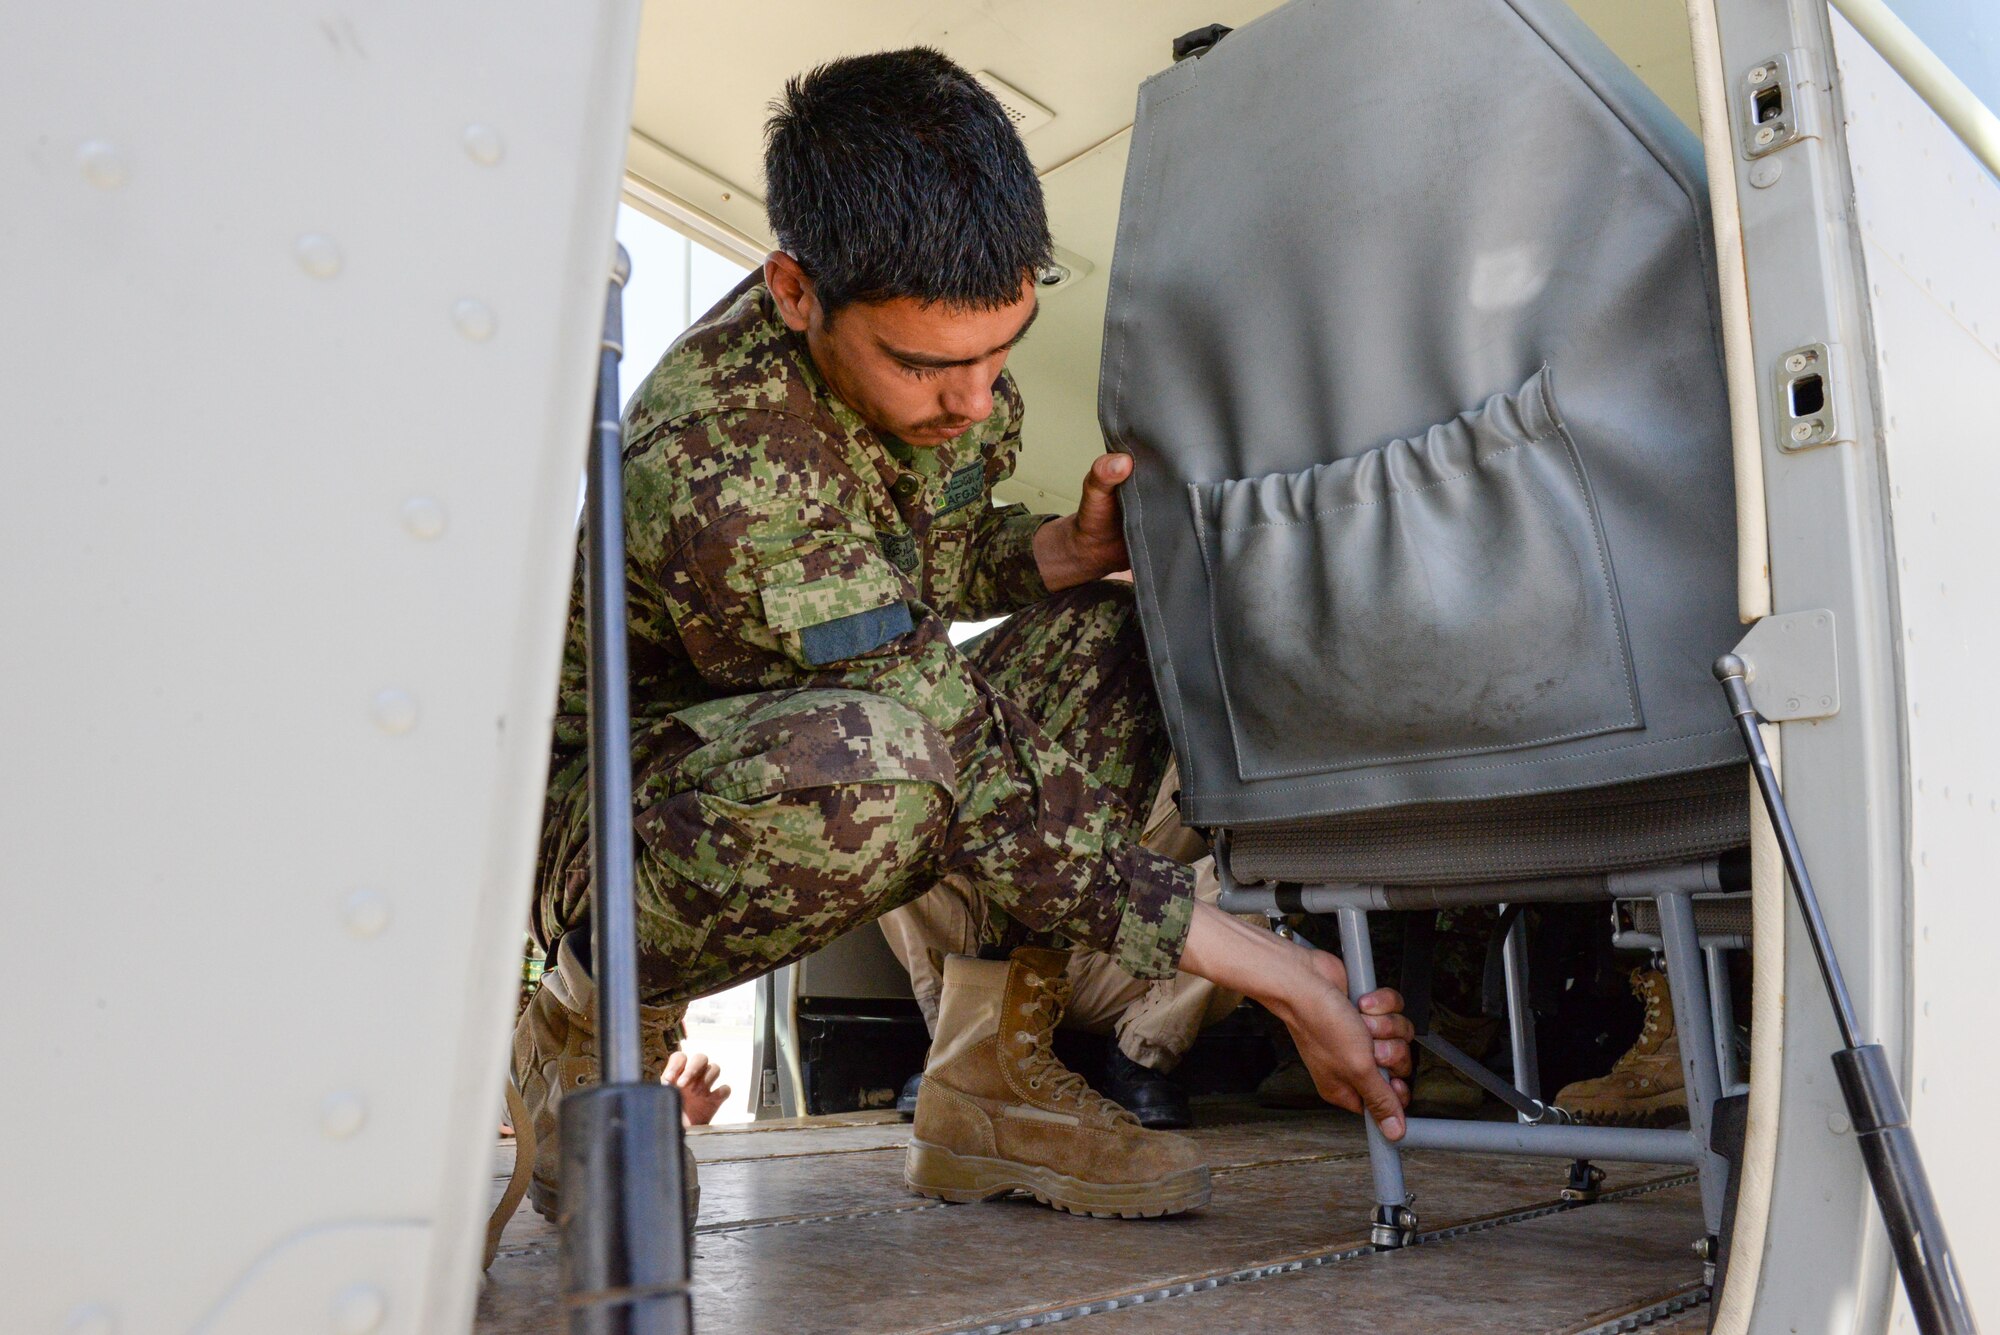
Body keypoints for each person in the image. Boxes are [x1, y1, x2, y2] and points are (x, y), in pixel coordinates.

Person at [512, 47, 1412, 1224]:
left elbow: (915, 565)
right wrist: (1280, 974)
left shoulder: (941, 360)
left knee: (1120, 639)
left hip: (806, 729)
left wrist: (1050, 554)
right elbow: (964, 765)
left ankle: (984, 1073)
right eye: (929, 366)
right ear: (793, 292)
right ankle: (587, 1019)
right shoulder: (719, 463)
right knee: (882, 768)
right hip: (610, 827)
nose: (978, 401)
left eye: (1002, 350)